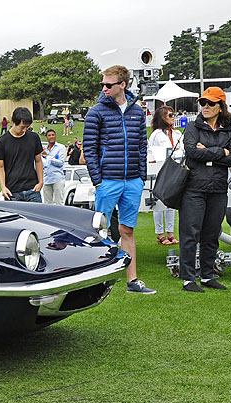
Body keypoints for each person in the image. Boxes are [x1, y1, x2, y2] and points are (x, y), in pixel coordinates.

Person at [84, 65, 154, 294]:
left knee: (127, 231)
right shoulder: (96, 112)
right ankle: (98, 280)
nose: (104, 88)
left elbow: (142, 145)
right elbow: (90, 148)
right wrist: (98, 180)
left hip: (132, 181)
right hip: (107, 181)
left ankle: (132, 281)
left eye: (108, 84)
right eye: (102, 84)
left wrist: (140, 176)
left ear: (122, 85)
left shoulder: (137, 112)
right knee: (101, 231)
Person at [177, 87, 231, 293]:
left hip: (218, 189)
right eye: (203, 102)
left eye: (210, 103)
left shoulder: (228, 130)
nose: (205, 106)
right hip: (194, 188)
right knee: (190, 234)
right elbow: (192, 152)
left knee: (211, 234)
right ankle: (188, 279)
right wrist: (221, 151)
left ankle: (207, 276)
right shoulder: (193, 127)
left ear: (220, 107)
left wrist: (211, 152)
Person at [148, 106, 183, 245]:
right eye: (170, 115)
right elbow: (150, 152)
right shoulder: (156, 134)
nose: (173, 117)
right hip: (160, 170)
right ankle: (160, 234)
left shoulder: (177, 134)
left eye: (173, 114)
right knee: (159, 202)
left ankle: (170, 233)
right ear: (162, 117)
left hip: (175, 170)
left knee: (171, 203)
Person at [0, 107, 44, 202]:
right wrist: (3, 187)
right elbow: (0, 167)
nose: (25, 130)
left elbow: (38, 161)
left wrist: (41, 182)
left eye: (27, 127)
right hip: (12, 192)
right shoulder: (2, 141)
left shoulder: (34, 137)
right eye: (22, 127)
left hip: (33, 190)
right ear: (14, 122)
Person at [40, 129, 68, 205]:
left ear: (56, 136)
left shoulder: (61, 147)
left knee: (59, 202)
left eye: (53, 135)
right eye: (49, 135)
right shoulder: (44, 149)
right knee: (47, 203)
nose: (51, 137)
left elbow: (61, 163)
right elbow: (43, 164)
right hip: (46, 179)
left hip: (57, 178)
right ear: (46, 137)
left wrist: (48, 156)